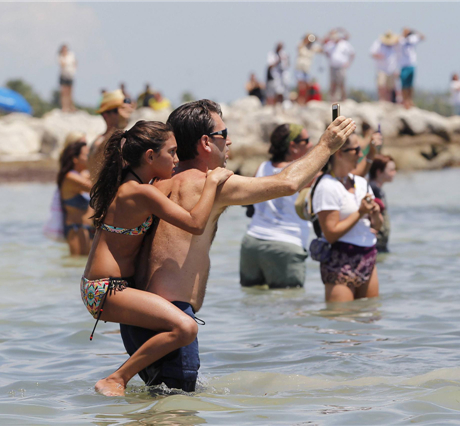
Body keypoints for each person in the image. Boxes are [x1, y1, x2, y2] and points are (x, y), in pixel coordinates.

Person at [120, 100, 356, 392]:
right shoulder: (211, 184)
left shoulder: (156, 181)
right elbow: (288, 183)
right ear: (205, 142)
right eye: (224, 132)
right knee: (176, 415)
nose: (229, 140)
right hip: (172, 320)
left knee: (155, 408)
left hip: (137, 320)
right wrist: (327, 145)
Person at [82, 120, 233, 396]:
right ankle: (117, 378)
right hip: (105, 290)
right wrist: (211, 181)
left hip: (108, 288)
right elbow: (195, 223)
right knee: (185, 328)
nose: (177, 160)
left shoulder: (134, 183)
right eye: (172, 153)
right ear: (150, 156)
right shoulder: (141, 192)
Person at [240, 123, 313, 288]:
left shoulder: (262, 168)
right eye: (306, 140)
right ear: (293, 146)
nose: (311, 145)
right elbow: (345, 173)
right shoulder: (303, 174)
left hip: (252, 244)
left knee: (254, 305)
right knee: (290, 306)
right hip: (285, 246)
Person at [312, 136, 383, 303]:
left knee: (369, 317)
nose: (360, 154)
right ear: (339, 154)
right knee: (340, 321)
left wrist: (375, 213)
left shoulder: (361, 182)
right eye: (356, 150)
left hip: (368, 255)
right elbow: (331, 234)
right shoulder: (327, 186)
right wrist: (359, 213)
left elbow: (377, 226)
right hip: (340, 260)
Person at [88, 89, 135, 182]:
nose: (122, 114)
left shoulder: (123, 138)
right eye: (117, 110)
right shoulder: (99, 143)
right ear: (105, 115)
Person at [57, 139, 93, 255]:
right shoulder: (70, 177)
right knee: (75, 268)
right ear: (75, 159)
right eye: (86, 155)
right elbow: (94, 187)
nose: (89, 157)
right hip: (76, 231)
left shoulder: (83, 175)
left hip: (87, 230)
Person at [368, 155, 396, 253]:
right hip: (375, 242)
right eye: (391, 170)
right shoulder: (372, 189)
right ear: (379, 172)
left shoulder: (375, 188)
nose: (394, 173)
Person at [323, 28, 355, 102]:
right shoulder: (329, 44)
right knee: (333, 83)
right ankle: (332, 99)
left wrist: (348, 63)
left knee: (341, 83)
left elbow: (352, 53)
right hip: (332, 66)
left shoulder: (344, 44)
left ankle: (343, 99)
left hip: (341, 67)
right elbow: (324, 47)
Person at [370, 31, 400, 102]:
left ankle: (388, 101)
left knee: (390, 87)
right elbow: (372, 53)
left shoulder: (395, 46)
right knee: (381, 85)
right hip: (381, 69)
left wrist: (397, 70)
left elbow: (398, 58)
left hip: (392, 70)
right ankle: (382, 100)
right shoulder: (378, 43)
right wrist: (379, 56)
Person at [398, 28, 425, 108]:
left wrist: (414, 31)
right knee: (403, 85)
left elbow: (423, 37)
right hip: (403, 65)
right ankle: (404, 100)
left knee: (410, 85)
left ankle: (410, 100)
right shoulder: (401, 40)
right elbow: (394, 40)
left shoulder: (412, 39)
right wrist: (403, 35)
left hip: (412, 64)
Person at [295, 34, 323, 105]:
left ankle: (305, 101)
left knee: (307, 86)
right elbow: (299, 47)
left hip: (307, 69)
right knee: (301, 86)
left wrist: (317, 39)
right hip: (300, 68)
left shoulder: (313, 47)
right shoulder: (301, 44)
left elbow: (322, 50)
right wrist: (307, 39)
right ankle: (300, 102)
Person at [58, 44, 77, 113]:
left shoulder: (71, 55)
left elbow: (75, 62)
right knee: (64, 92)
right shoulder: (60, 56)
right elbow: (62, 64)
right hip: (63, 76)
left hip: (70, 75)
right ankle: (64, 107)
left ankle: (71, 107)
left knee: (70, 93)